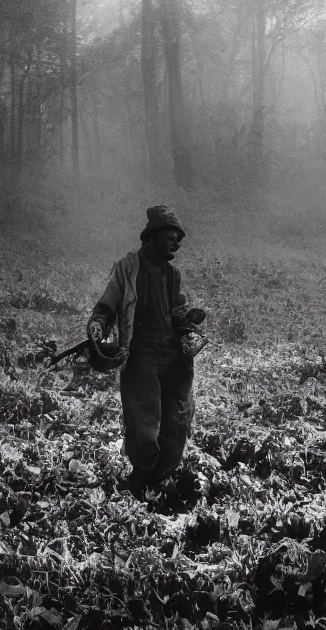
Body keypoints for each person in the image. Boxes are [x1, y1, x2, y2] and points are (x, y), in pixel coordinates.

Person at [87, 205, 206, 499]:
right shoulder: (128, 268)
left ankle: (162, 479)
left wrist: (188, 325)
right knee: (143, 423)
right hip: (140, 356)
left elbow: (177, 310)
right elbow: (109, 303)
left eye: (180, 237)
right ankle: (142, 479)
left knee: (175, 422)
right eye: (172, 235)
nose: (177, 242)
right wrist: (98, 325)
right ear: (153, 236)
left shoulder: (172, 275)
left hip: (175, 360)